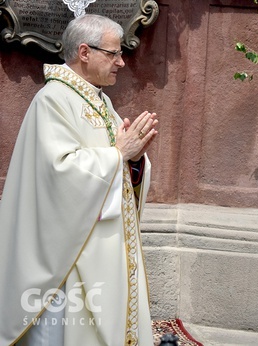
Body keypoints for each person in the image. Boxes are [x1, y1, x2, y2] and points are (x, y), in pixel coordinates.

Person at [0, 14, 158, 346]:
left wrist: (135, 159)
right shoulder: (53, 100)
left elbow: (120, 157)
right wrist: (118, 154)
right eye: (113, 54)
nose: (121, 63)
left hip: (101, 246)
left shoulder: (100, 101)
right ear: (84, 52)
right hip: (69, 256)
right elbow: (60, 174)